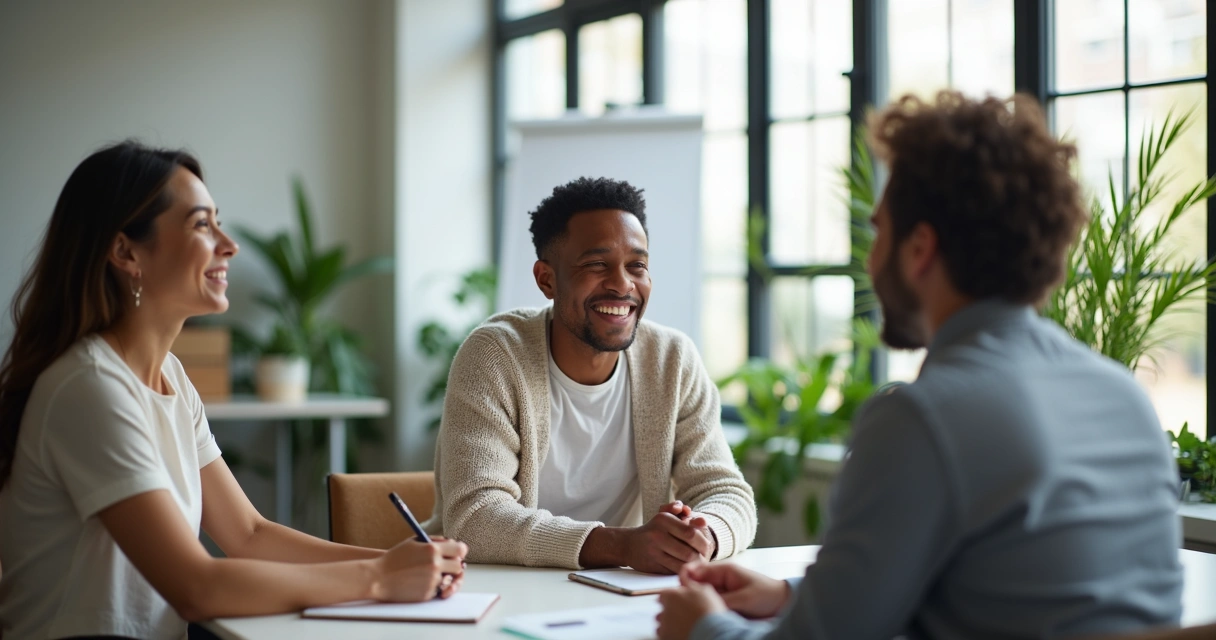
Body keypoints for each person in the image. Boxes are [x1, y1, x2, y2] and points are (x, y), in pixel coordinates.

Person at [656, 91, 1184, 639]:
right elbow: (1009, 593)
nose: (870, 256)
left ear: (920, 248)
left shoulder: (922, 419)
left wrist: (705, 629)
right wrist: (793, 596)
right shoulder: (1124, 396)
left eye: (879, 229)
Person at [0, 141, 467, 640]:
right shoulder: (89, 386)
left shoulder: (171, 377)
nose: (229, 244)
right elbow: (195, 587)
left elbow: (249, 533)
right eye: (202, 224)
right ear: (125, 252)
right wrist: (377, 578)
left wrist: (402, 562)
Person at [424, 177, 756, 572]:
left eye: (637, 266)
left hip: (622, 595)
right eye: (597, 264)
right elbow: (476, 518)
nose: (622, 284)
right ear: (547, 279)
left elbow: (725, 490)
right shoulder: (496, 355)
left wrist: (703, 535)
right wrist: (621, 546)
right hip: (498, 589)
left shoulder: (672, 359)